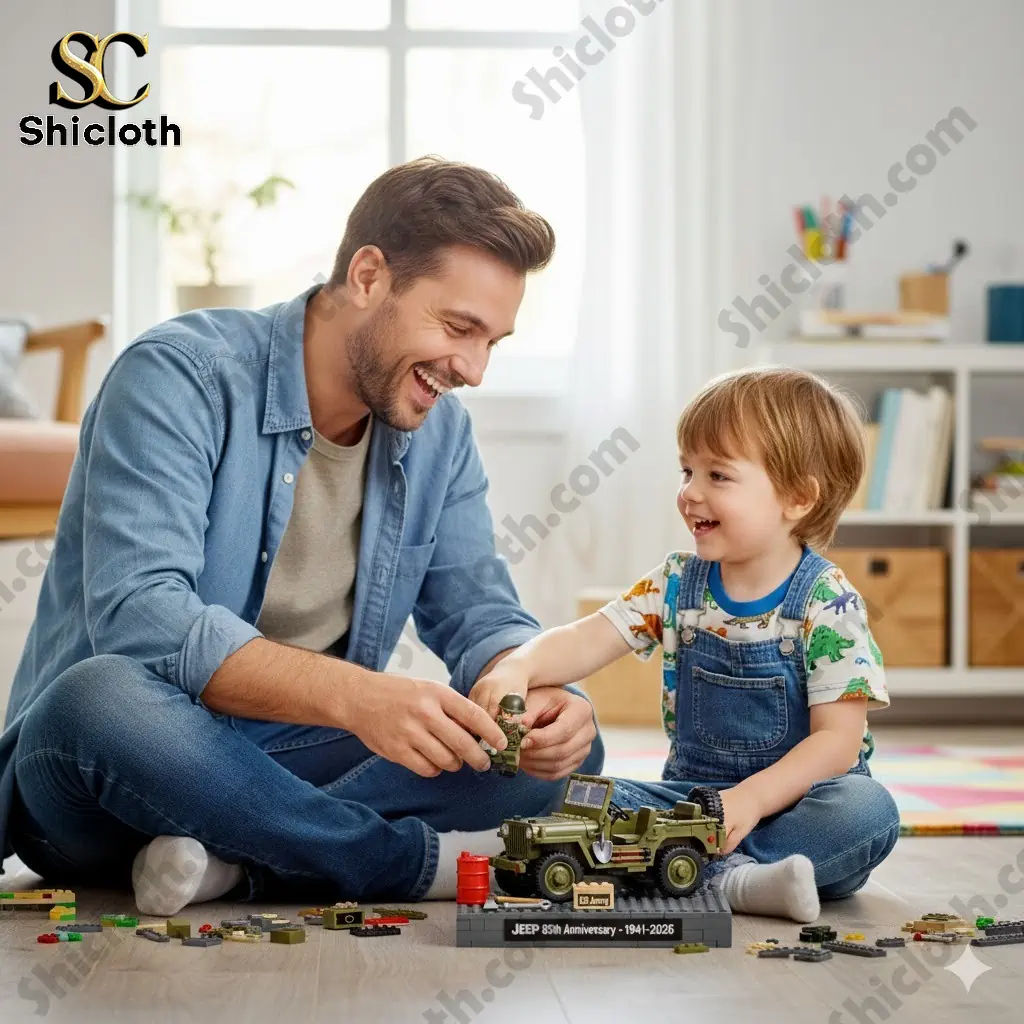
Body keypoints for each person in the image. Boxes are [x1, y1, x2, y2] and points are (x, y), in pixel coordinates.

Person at [0, 157, 603, 913]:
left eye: (494, 342)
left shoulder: (441, 434)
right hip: (123, 766)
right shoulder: (178, 374)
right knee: (94, 698)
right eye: (458, 328)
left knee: (557, 752)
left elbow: (481, 613)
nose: (474, 369)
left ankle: (238, 863)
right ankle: (404, 863)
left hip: (285, 763)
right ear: (369, 275)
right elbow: (141, 617)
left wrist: (538, 688)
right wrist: (359, 698)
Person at [471, 367, 900, 923]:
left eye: (718, 475)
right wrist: (518, 667)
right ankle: (737, 881)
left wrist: (748, 803)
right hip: (689, 808)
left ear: (797, 497)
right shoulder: (675, 584)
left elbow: (838, 745)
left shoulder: (828, 601)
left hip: (798, 805)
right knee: (581, 797)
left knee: (867, 811)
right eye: (686, 470)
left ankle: (730, 873)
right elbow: (587, 638)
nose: (690, 493)